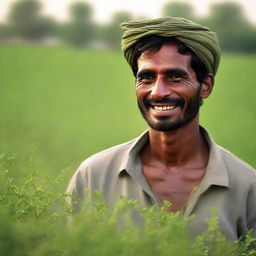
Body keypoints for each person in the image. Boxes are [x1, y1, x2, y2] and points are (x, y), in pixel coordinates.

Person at [66, 17, 256, 240]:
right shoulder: (94, 176)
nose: (158, 92)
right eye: (146, 78)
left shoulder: (247, 187)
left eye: (175, 77)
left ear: (205, 86)